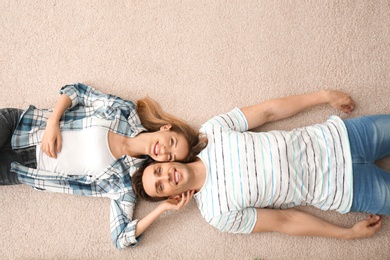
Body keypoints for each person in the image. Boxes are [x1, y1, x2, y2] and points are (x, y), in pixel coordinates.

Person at [133, 89, 387, 240]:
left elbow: (269, 111)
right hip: (346, 189)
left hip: (342, 137)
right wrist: (347, 234)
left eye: (158, 171)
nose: (166, 177)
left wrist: (323, 96)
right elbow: (284, 221)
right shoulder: (217, 215)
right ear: (172, 197)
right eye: (161, 187)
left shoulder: (211, 131)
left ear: (166, 161)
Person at [0, 83, 206, 249]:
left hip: (20, 169)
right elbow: (77, 92)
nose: (163, 151)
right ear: (166, 128)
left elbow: (121, 237)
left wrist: (162, 208)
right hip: (22, 125)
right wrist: (53, 121)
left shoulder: (126, 183)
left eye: (170, 156)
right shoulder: (125, 112)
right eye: (170, 142)